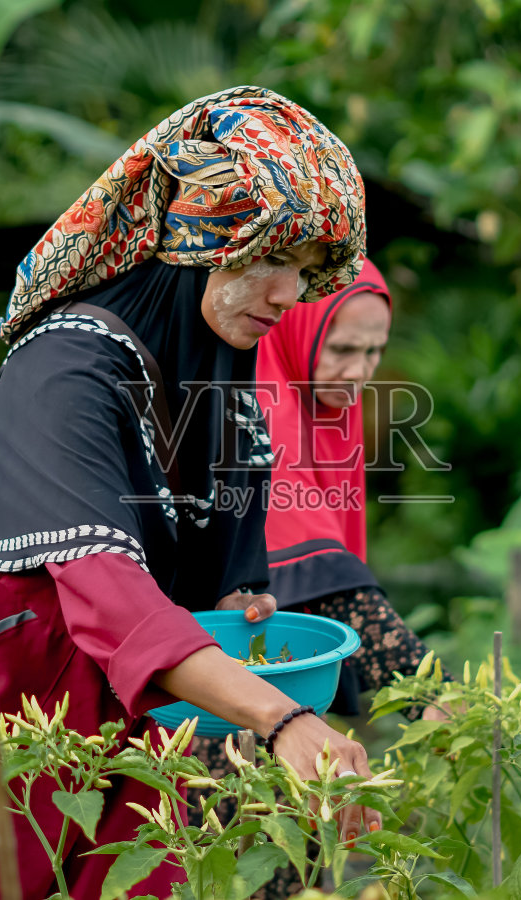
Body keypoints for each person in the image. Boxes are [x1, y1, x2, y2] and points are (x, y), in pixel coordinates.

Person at [0, 86, 379, 900]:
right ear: (197, 238)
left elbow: (227, 578)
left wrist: (249, 613)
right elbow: (108, 595)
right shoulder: (67, 370)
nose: (288, 296)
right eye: (267, 258)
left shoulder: (223, 388)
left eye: (305, 270)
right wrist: (280, 718)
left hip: (131, 716)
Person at [185, 258, 450, 898]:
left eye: (374, 353)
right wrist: (433, 698)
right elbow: (324, 581)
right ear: (298, 332)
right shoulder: (258, 413)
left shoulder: (330, 421)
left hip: (285, 721)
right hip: (218, 713)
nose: (359, 372)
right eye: (343, 349)